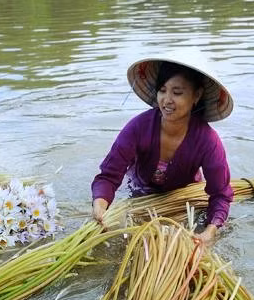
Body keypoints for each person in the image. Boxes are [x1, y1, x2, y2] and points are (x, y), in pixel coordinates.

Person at [91, 55, 234, 245]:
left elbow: (220, 194)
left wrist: (210, 231)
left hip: (183, 198)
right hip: (140, 194)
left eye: (177, 92)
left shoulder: (208, 140)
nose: (166, 100)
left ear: (196, 96)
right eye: (162, 90)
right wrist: (100, 205)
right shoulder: (138, 127)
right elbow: (109, 176)